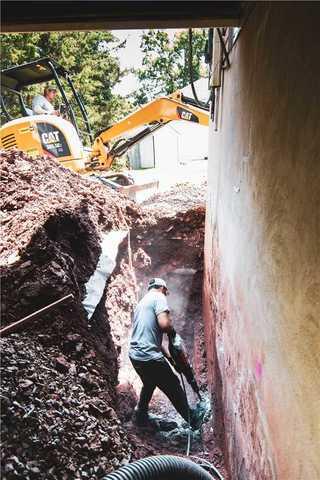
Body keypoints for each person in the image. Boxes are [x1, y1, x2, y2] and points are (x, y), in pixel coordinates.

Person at [129, 277, 204, 430]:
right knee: (173, 385)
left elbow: (151, 339)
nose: (166, 294)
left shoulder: (141, 304)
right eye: (166, 292)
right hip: (149, 357)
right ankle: (193, 419)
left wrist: (170, 359)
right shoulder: (158, 297)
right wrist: (173, 333)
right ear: (162, 288)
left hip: (136, 356)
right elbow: (164, 324)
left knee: (149, 383)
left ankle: (140, 415)